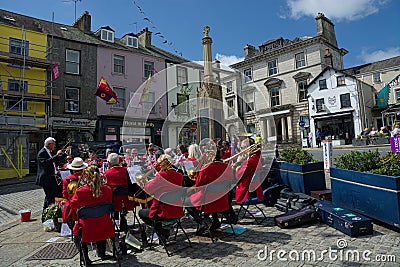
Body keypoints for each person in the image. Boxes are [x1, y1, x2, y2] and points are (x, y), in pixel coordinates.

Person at [70, 165, 115, 264]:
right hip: (105, 225)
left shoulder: (81, 192)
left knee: (76, 230)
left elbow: (73, 205)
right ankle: (102, 253)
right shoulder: (107, 190)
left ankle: (85, 258)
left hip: (87, 227)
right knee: (99, 217)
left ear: (86, 177)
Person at [186, 148, 236, 234]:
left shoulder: (206, 168)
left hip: (208, 200)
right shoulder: (227, 167)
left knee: (187, 202)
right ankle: (215, 221)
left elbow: (199, 184)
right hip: (222, 200)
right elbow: (232, 180)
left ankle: (202, 222)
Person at [138, 154, 184, 243]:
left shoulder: (161, 176)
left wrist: (144, 183)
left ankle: (162, 231)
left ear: (162, 164)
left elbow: (148, 189)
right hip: (177, 210)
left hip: (163, 212)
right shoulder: (179, 175)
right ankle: (163, 232)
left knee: (141, 213)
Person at [36, 137, 71, 222]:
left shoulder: (49, 152)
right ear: (49, 145)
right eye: (53, 144)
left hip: (52, 178)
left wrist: (64, 153)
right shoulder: (42, 153)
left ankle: (51, 215)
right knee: (49, 198)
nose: (55, 146)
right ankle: (46, 217)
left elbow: (56, 159)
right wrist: (56, 155)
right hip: (46, 179)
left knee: (52, 197)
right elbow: (46, 163)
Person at [103, 153, 135, 217]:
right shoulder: (126, 170)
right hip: (128, 199)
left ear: (109, 163)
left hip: (114, 201)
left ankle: (116, 220)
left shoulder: (107, 173)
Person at [61, 157, 88, 229]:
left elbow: (65, 195)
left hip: (73, 207)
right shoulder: (89, 178)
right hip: (88, 204)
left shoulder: (66, 180)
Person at [235, 140, 264, 205]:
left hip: (246, 194)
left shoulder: (250, 161)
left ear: (247, 147)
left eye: (242, 148)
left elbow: (238, 176)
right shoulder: (256, 157)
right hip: (253, 191)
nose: (241, 150)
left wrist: (238, 163)